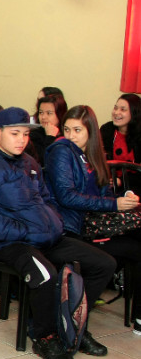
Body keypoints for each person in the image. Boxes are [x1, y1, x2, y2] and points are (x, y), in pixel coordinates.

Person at [0, 107, 117, 359]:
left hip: (46, 236)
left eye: (25, 134)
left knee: (104, 264)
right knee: (46, 274)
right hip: (9, 243)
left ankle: (72, 325)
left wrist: (54, 223)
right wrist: (25, 231)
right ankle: (44, 335)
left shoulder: (30, 164)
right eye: (15, 133)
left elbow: (48, 200)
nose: (21, 139)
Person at [45, 106, 141, 335]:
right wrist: (113, 205)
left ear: (91, 132)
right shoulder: (62, 151)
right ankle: (72, 317)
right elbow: (67, 197)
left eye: (77, 130)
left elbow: (102, 198)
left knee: (138, 245)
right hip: (67, 229)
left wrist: (122, 198)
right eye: (67, 129)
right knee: (118, 255)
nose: (71, 136)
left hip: (90, 226)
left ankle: (138, 315)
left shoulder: (93, 157)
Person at [29, 92, 68, 166]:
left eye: (49, 113)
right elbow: (43, 162)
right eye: (41, 112)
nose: (43, 117)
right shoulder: (34, 135)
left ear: (60, 114)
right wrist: (50, 137)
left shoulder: (68, 134)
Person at [100, 93, 141, 162]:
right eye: (115, 108)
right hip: (110, 172)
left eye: (123, 109)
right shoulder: (107, 129)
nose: (116, 112)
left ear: (134, 113)